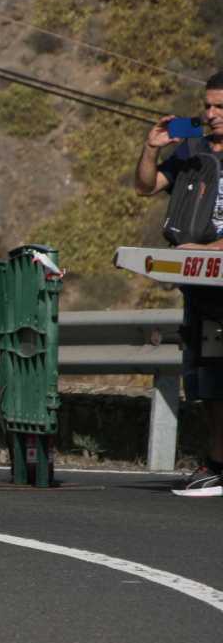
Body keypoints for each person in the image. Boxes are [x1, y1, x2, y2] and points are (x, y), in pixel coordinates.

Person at [134, 71, 223, 497]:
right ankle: (217, 462)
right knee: (206, 374)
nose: (211, 114)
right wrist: (151, 148)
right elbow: (145, 186)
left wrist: (209, 248)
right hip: (201, 283)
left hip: (210, 264)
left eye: (220, 107)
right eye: (207, 106)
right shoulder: (191, 147)